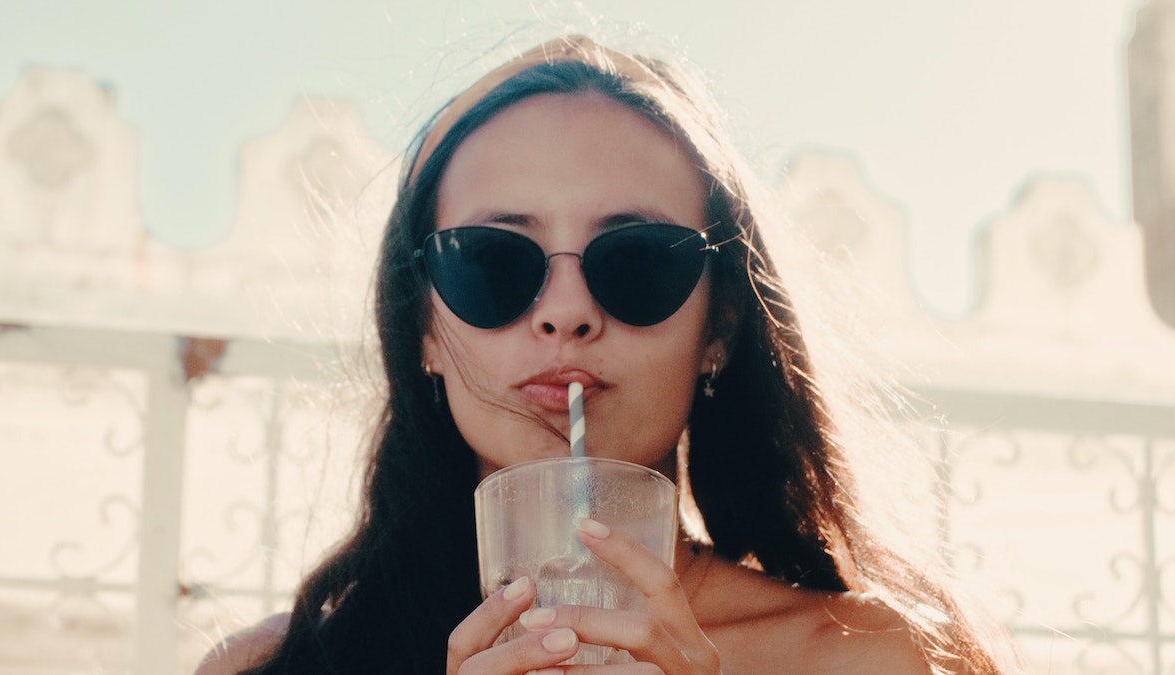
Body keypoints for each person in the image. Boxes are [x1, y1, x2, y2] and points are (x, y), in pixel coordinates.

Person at [196, 34, 1018, 674]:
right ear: (422, 328)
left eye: (638, 262)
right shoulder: (275, 667)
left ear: (721, 326)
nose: (566, 312)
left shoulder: (877, 656)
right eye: (490, 262)